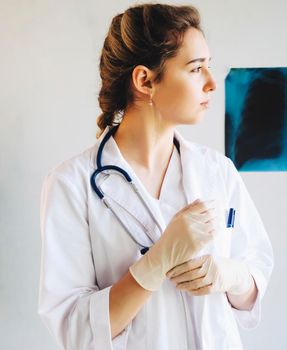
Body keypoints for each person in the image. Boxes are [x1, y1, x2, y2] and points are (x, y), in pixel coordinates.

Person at [38, 4, 273, 349]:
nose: (211, 83)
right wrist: (155, 263)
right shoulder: (71, 185)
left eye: (209, 67)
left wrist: (232, 275)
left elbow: (253, 280)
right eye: (196, 69)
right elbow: (75, 329)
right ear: (145, 80)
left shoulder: (217, 171)